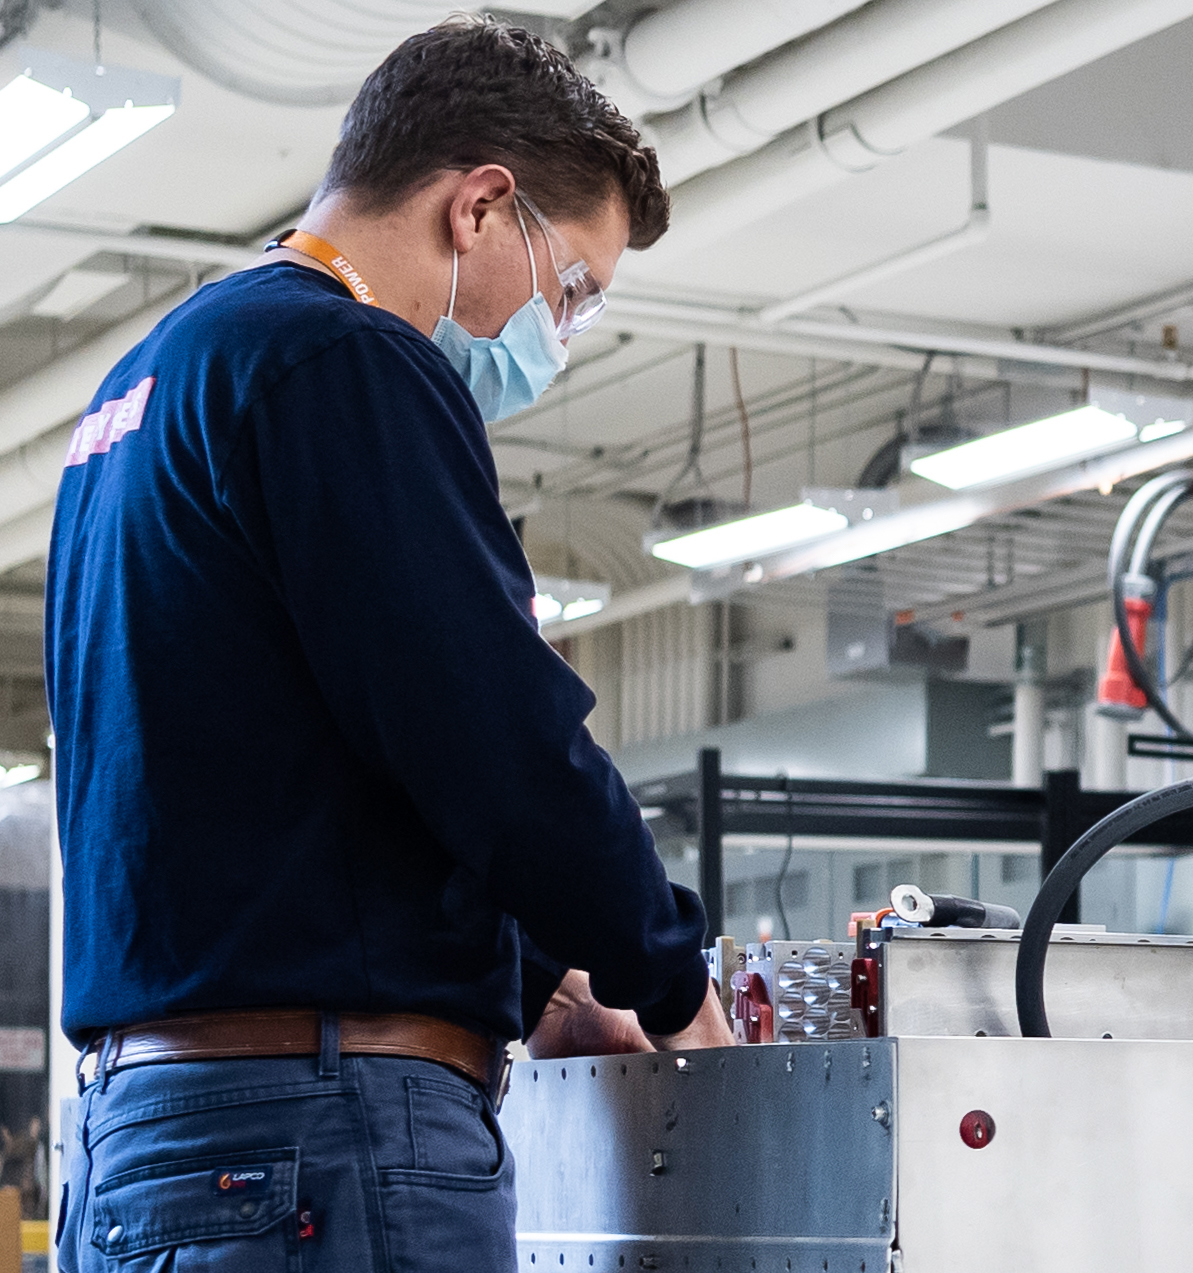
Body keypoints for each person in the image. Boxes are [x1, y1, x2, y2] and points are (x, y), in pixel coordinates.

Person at [46, 18, 731, 1273]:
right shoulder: (345, 359)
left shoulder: (149, 386)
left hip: (146, 1141)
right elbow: (490, 737)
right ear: (479, 207)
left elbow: (301, 759)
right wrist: (676, 986)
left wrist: (543, 991)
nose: (558, 339)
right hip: (316, 1132)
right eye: (570, 288)